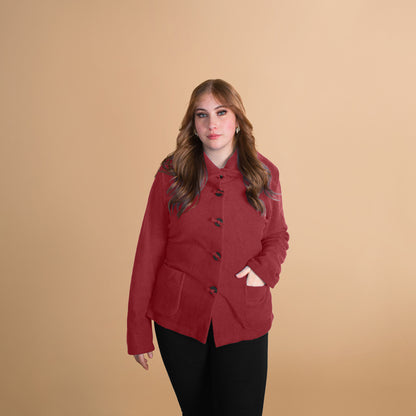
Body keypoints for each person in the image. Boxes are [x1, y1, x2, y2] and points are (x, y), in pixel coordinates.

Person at [127, 79, 289, 416]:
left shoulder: (264, 173)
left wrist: (263, 271)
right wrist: (138, 331)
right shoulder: (171, 173)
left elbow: (277, 236)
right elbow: (149, 250)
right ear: (193, 123)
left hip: (243, 314)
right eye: (202, 115)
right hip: (179, 320)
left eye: (221, 112)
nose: (212, 123)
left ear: (237, 119)